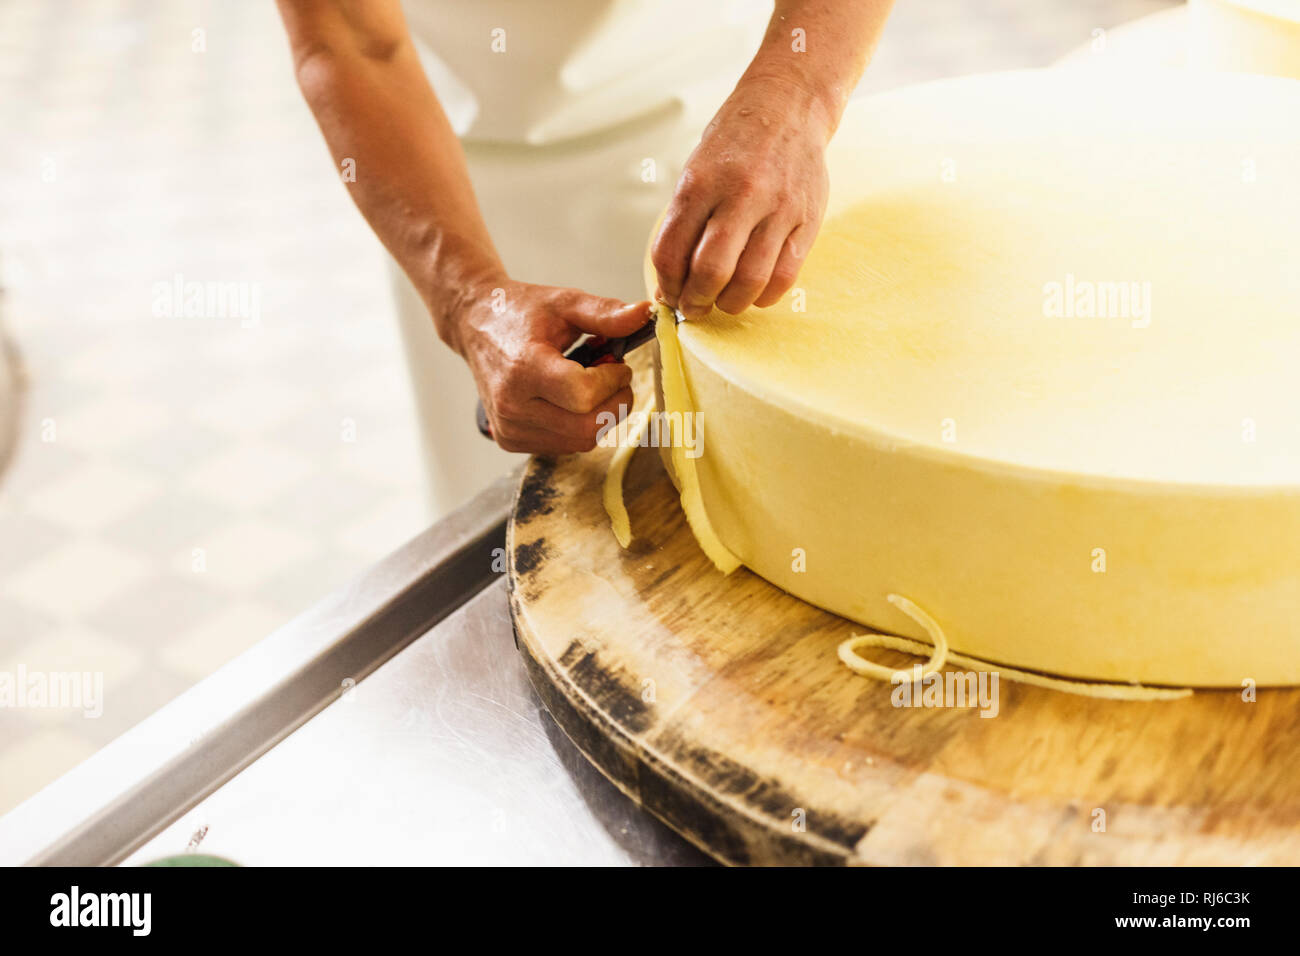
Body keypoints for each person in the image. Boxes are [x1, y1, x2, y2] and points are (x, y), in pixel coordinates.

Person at [275, 0, 896, 515]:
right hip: (453, 193)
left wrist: (796, 93)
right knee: (520, 538)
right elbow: (349, 41)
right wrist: (466, 299)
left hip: (738, 131)